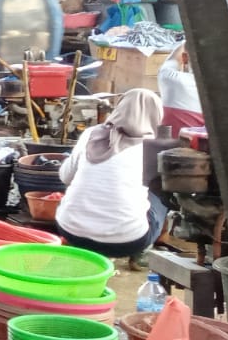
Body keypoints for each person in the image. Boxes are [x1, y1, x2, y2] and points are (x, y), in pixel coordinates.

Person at [56, 89, 168, 262]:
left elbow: (65, 177)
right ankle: (142, 254)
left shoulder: (90, 134)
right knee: (162, 194)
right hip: (127, 242)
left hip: (71, 232)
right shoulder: (154, 147)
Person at [157, 45, 205, 133]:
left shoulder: (171, 79)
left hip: (174, 145)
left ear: (185, 58)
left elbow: (172, 60)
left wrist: (185, 40)